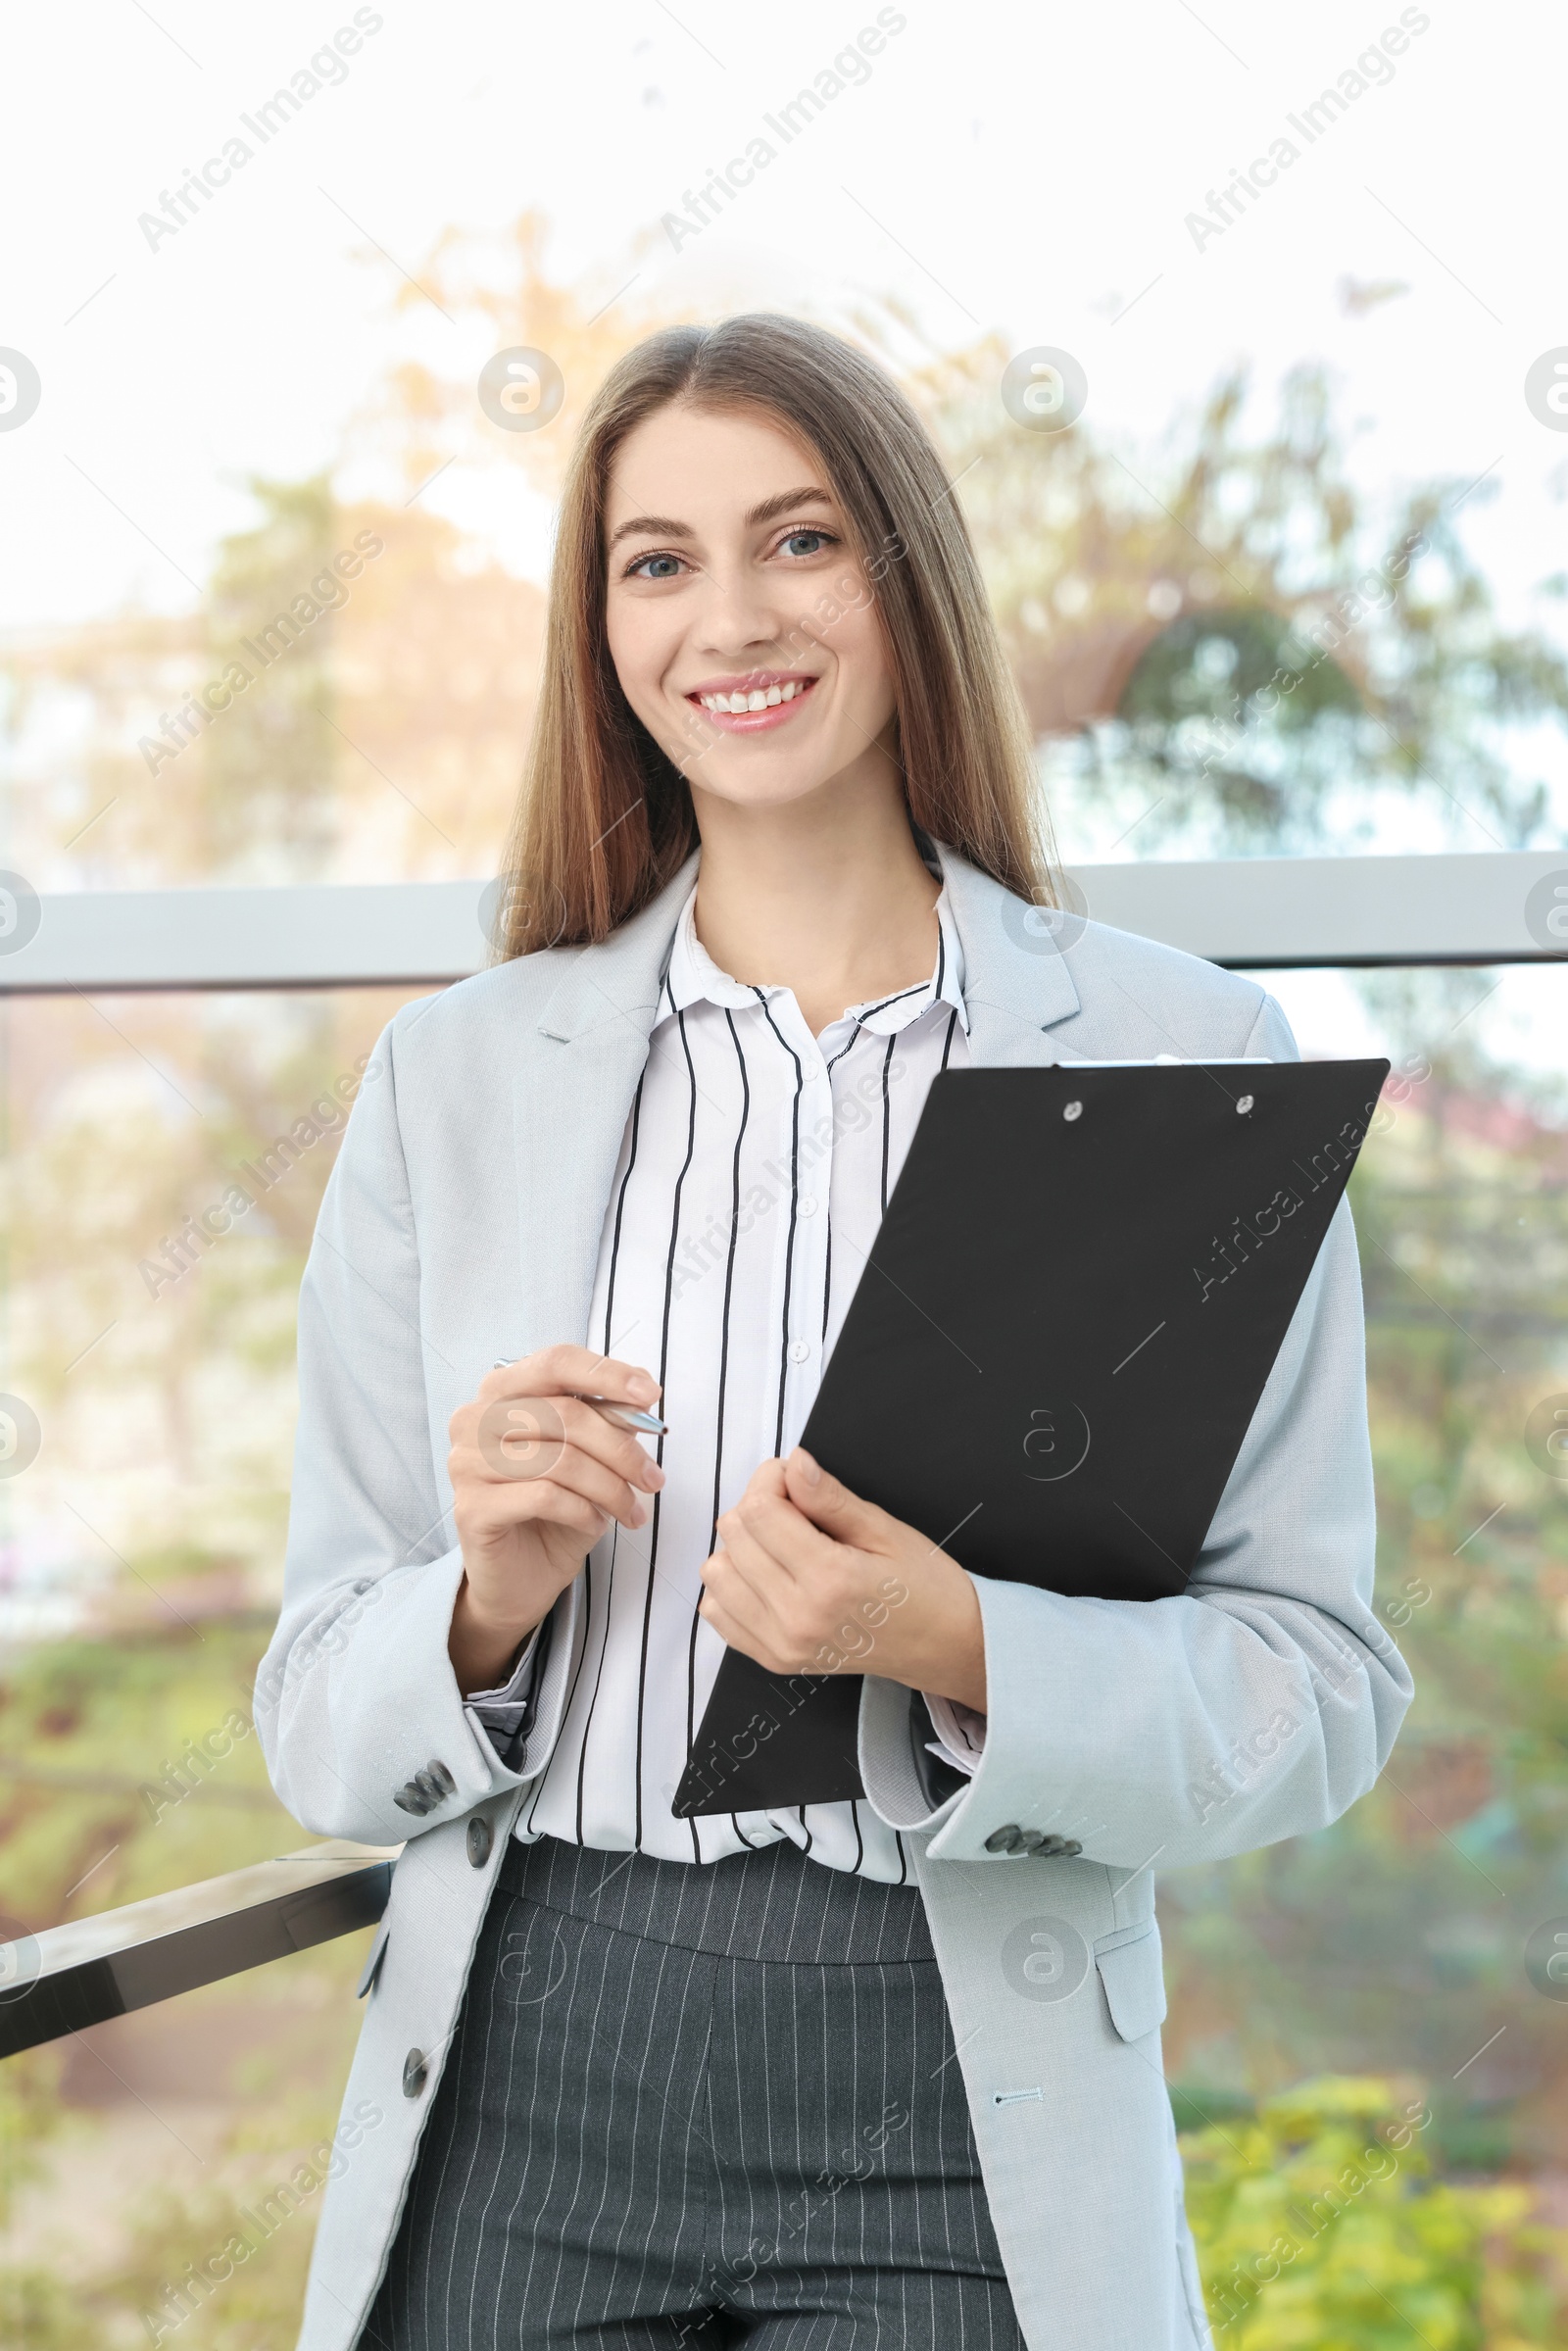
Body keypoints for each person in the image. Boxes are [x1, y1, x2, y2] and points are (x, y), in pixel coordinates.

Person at [257, 313, 1411, 2351]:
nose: (729, 618)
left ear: (900, 574)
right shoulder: (454, 1081)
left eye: (797, 540)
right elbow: (310, 1714)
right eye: (656, 559)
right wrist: (481, 1606)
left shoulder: (1178, 1056)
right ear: (602, 626)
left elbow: (1310, 1688)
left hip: (959, 2063)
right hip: (531, 2053)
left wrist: (955, 1649)